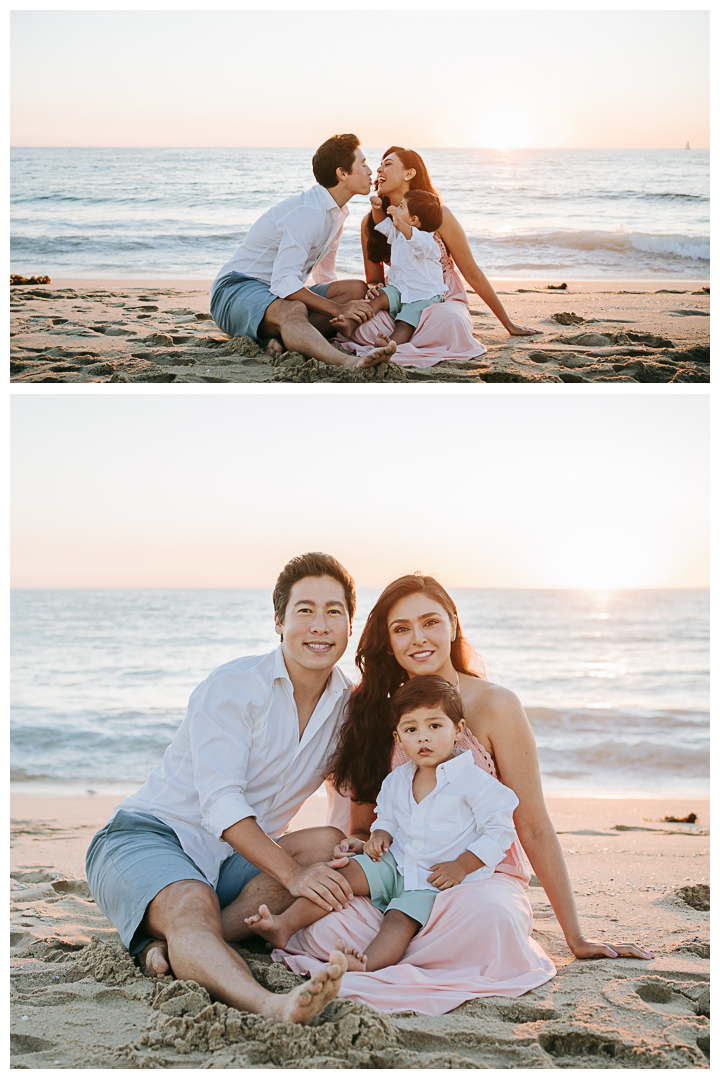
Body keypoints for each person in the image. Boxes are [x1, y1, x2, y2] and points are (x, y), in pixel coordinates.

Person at [266, 574, 654, 1016]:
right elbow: (366, 824)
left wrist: (576, 938)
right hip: (401, 875)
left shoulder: (495, 705)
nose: (418, 639)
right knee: (331, 921)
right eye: (401, 628)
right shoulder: (378, 713)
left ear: (453, 624)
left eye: (430, 622)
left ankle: (400, 957)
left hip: (477, 878)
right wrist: (364, 843)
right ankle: (380, 957)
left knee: (490, 922)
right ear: (388, 642)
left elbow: (532, 825)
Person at [85, 552, 363, 1025]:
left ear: (349, 626)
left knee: (329, 845)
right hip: (148, 836)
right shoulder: (235, 687)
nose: (320, 625)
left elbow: (351, 791)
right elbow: (220, 804)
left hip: (231, 862)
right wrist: (294, 878)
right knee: (192, 905)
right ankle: (269, 1004)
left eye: (333, 611)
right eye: (305, 611)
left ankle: (174, 943)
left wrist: (359, 840)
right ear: (279, 621)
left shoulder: (348, 708)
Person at [244, 675, 518, 972]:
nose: (423, 737)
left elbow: (500, 830)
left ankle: (366, 964)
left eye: (435, 726)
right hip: (395, 862)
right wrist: (378, 837)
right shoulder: (397, 780)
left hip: (433, 878)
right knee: (340, 874)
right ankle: (285, 925)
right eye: (411, 729)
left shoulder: (474, 781)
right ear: (398, 738)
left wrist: (462, 866)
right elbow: (386, 819)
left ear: (458, 730)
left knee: (397, 921)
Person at [334, 147, 541, 367]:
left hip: (439, 296)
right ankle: (393, 343)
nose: (378, 169)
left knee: (450, 322)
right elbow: (373, 279)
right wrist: (375, 289)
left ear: (409, 174)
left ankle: (399, 342)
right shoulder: (371, 222)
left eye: (388, 164)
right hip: (398, 296)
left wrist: (508, 324)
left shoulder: (438, 216)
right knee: (365, 329)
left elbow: (472, 273)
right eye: (380, 164)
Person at [209, 133, 397, 370]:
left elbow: (325, 274)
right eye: (363, 164)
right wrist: (338, 309)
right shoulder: (308, 212)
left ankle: (284, 336)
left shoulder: (337, 212)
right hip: (234, 290)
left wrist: (343, 307)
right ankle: (348, 362)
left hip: (272, 293)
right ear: (342, 173)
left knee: (355, 289)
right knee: (294, 308)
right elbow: (284, 281)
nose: (370, 171)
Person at [332, 190, 448, 349]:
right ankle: (350, 324)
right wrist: (376, 209)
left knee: (405, 322)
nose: (396, 208)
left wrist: (399, 222)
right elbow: (381, 225)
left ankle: (390, 343)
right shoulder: (398, 232)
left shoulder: (428, 242)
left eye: (401, 207)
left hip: (423, 295)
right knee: (377, 297)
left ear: (413, 220)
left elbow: (414, 239)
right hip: (399, 290)